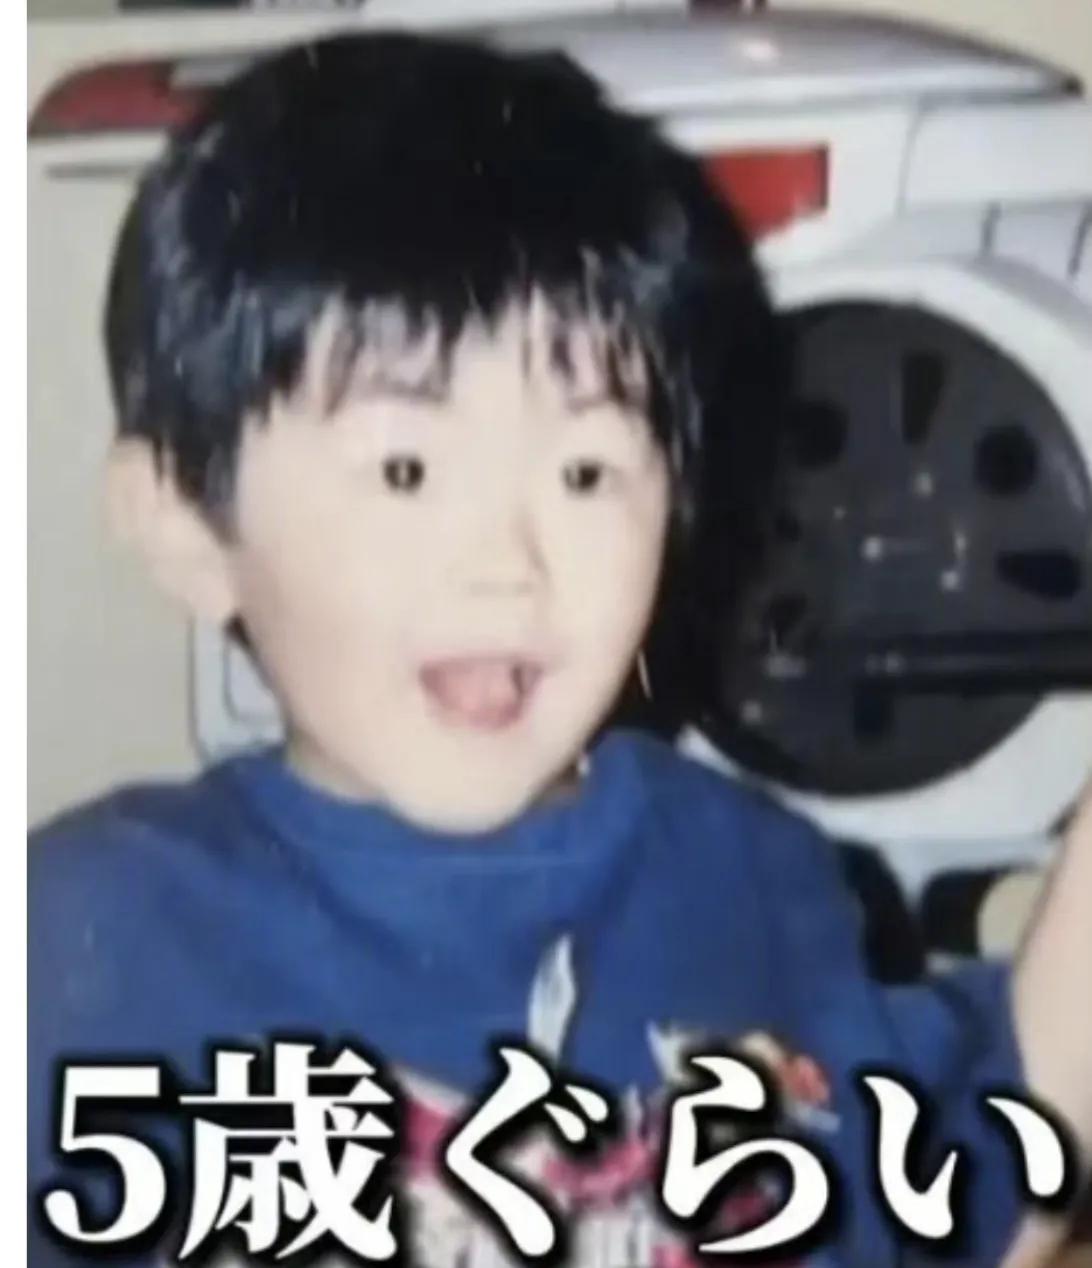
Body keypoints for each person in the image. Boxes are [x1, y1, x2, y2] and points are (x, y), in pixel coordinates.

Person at [28, 31, 1090, 1268]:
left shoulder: (749, 872)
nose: (510, 564)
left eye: (587, 471)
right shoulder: (80, 930)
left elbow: (982, 1179)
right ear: (188, 528)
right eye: (406, 468)